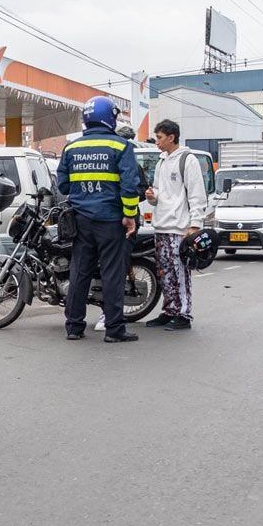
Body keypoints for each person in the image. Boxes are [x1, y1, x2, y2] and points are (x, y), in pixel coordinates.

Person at [56, 96, 141, 343]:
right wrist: (129, 216)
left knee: (80, 272)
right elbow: (129, 185)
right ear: (109, 118)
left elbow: (62, 184)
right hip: (111, 220)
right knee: (112, 274)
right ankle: (114, 330)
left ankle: (73, 327)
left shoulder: (71, 148)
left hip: (81, 220)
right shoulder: (121, 146)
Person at [143, 119, 208, 331]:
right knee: (164, 272)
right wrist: (152, 197)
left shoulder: (188, 160)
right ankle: (169, 310)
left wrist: (195, 225)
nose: (157, 142)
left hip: (179, 228)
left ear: (171, 137)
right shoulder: (161, 161)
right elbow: (159, 192)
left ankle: (183, 314)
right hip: (161, 225)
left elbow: (197, 194)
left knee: (180, 273)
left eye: (160, 138)